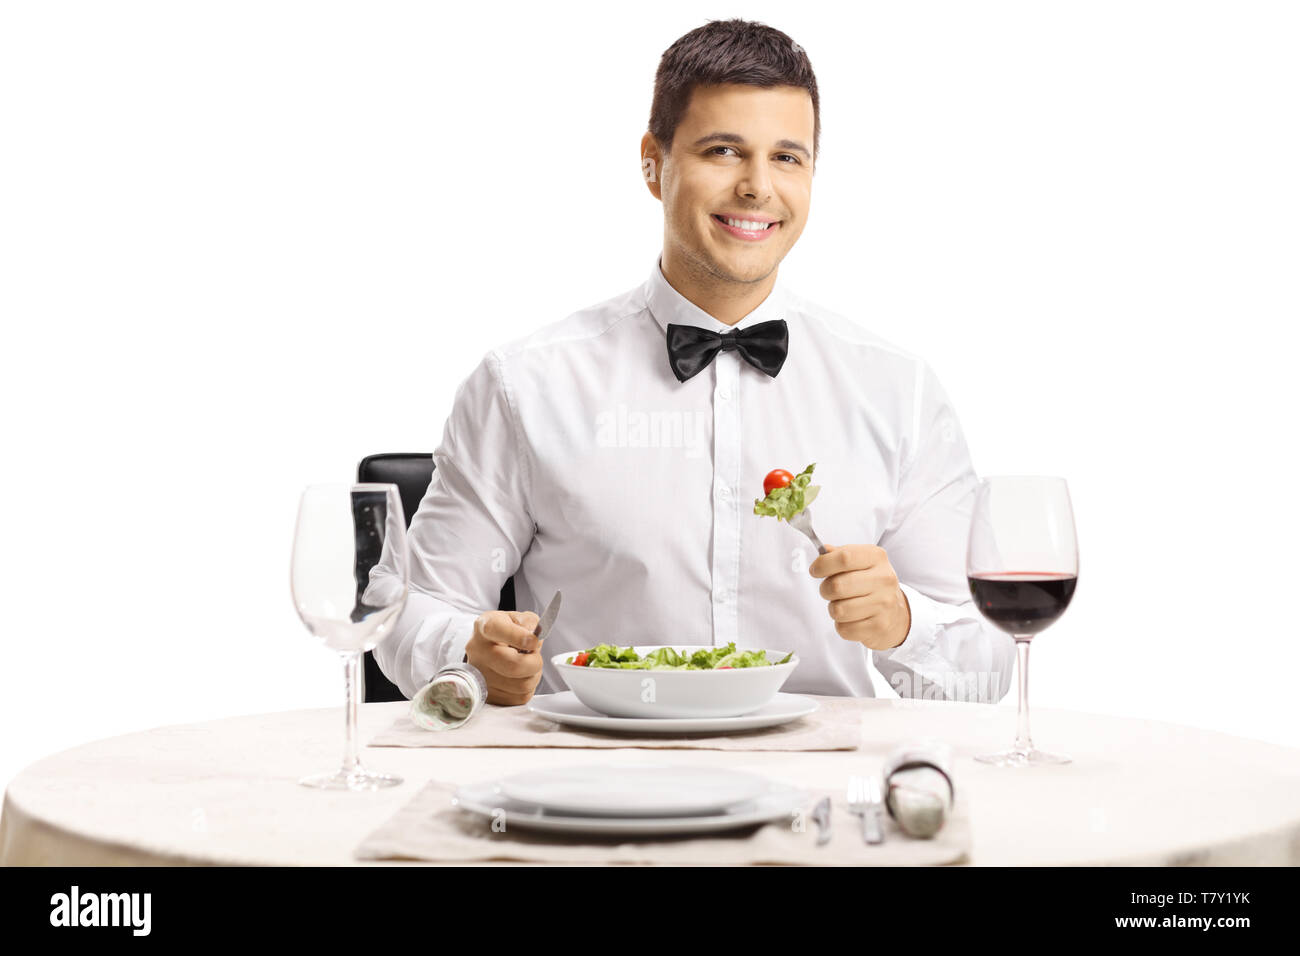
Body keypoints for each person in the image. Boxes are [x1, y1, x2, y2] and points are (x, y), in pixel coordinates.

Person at [370, 18, 1015, 707]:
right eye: (723, 151)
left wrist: (904, 627)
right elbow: (409, 608)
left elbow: (988, 666)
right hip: (594, 792)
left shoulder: (899, 391)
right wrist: (468, 655)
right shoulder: (526, 385)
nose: (757, 188)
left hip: (826, 793)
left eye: (787, 158)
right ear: (654, 162)